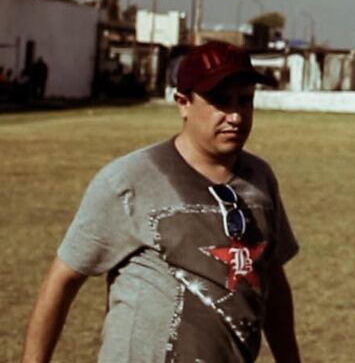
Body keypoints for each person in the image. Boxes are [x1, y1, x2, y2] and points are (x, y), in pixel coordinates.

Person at [22, 40, 301, 363]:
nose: (236, 116)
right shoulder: (129, 180)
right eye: (220, 101)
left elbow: (272, 281)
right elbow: (63, 278)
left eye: (245, 100)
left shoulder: (260, 179)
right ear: (183, 102)